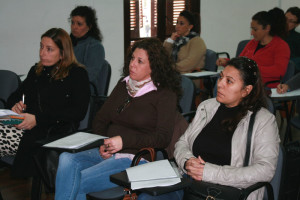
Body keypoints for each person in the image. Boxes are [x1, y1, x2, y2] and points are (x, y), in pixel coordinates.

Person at [54, 38, 182, 200]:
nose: (132, 64)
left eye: (140, 61)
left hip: (136, 159)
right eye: (132, 58)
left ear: (154, 66)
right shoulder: (124, 85)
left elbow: (162, 138)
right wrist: (104, 143)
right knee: (66, 159)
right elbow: (100, 119)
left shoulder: (164, 94)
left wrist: (124, 141)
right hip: (110, 151)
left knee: (73, 180)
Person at [139, 57, 280, 200]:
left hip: (228, 192)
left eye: (229, 81)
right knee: (146, 197)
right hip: (189, 184)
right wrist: (188, 161)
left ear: (246, 90)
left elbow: (265, 170)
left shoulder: (263, 121)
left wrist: (208, 172)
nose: (220, 84)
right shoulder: (207, 107)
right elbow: (182, 143)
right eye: (221, 78)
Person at [0, 28, 90, 178]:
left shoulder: (77, 74)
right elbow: (14, 96)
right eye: (41, 47)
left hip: (52, 132)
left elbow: (77, 112)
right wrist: (16, 105)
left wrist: (37, 119)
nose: (42, 53)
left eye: (49, 49)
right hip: (23, 126)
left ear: (63, 53)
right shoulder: (36, 71)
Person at [217, 7, 290, 88]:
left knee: (227, 86)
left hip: (263, 87)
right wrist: (226, 62)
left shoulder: (281, 46)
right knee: (221, 80)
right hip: (245, 82)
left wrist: (253, 69)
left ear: (267, 28)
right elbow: (240, 61)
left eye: (255, 29)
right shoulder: (253, 43)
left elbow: (278, 71)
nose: (252, 33)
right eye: (251, 29)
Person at [69, 5, 105, 95]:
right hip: (69, 89)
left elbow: (90, 76)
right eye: (72, 23)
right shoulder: (68, 44)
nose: (74, 27)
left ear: (89, 27)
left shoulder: (95, 47)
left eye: (79, 24)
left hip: (85, 91)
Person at [285, 7, 300, 73]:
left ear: (297, 24)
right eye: (285, 19)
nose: (286, 23)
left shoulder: (298, 38)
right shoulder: (271, 34)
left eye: (290, 21)